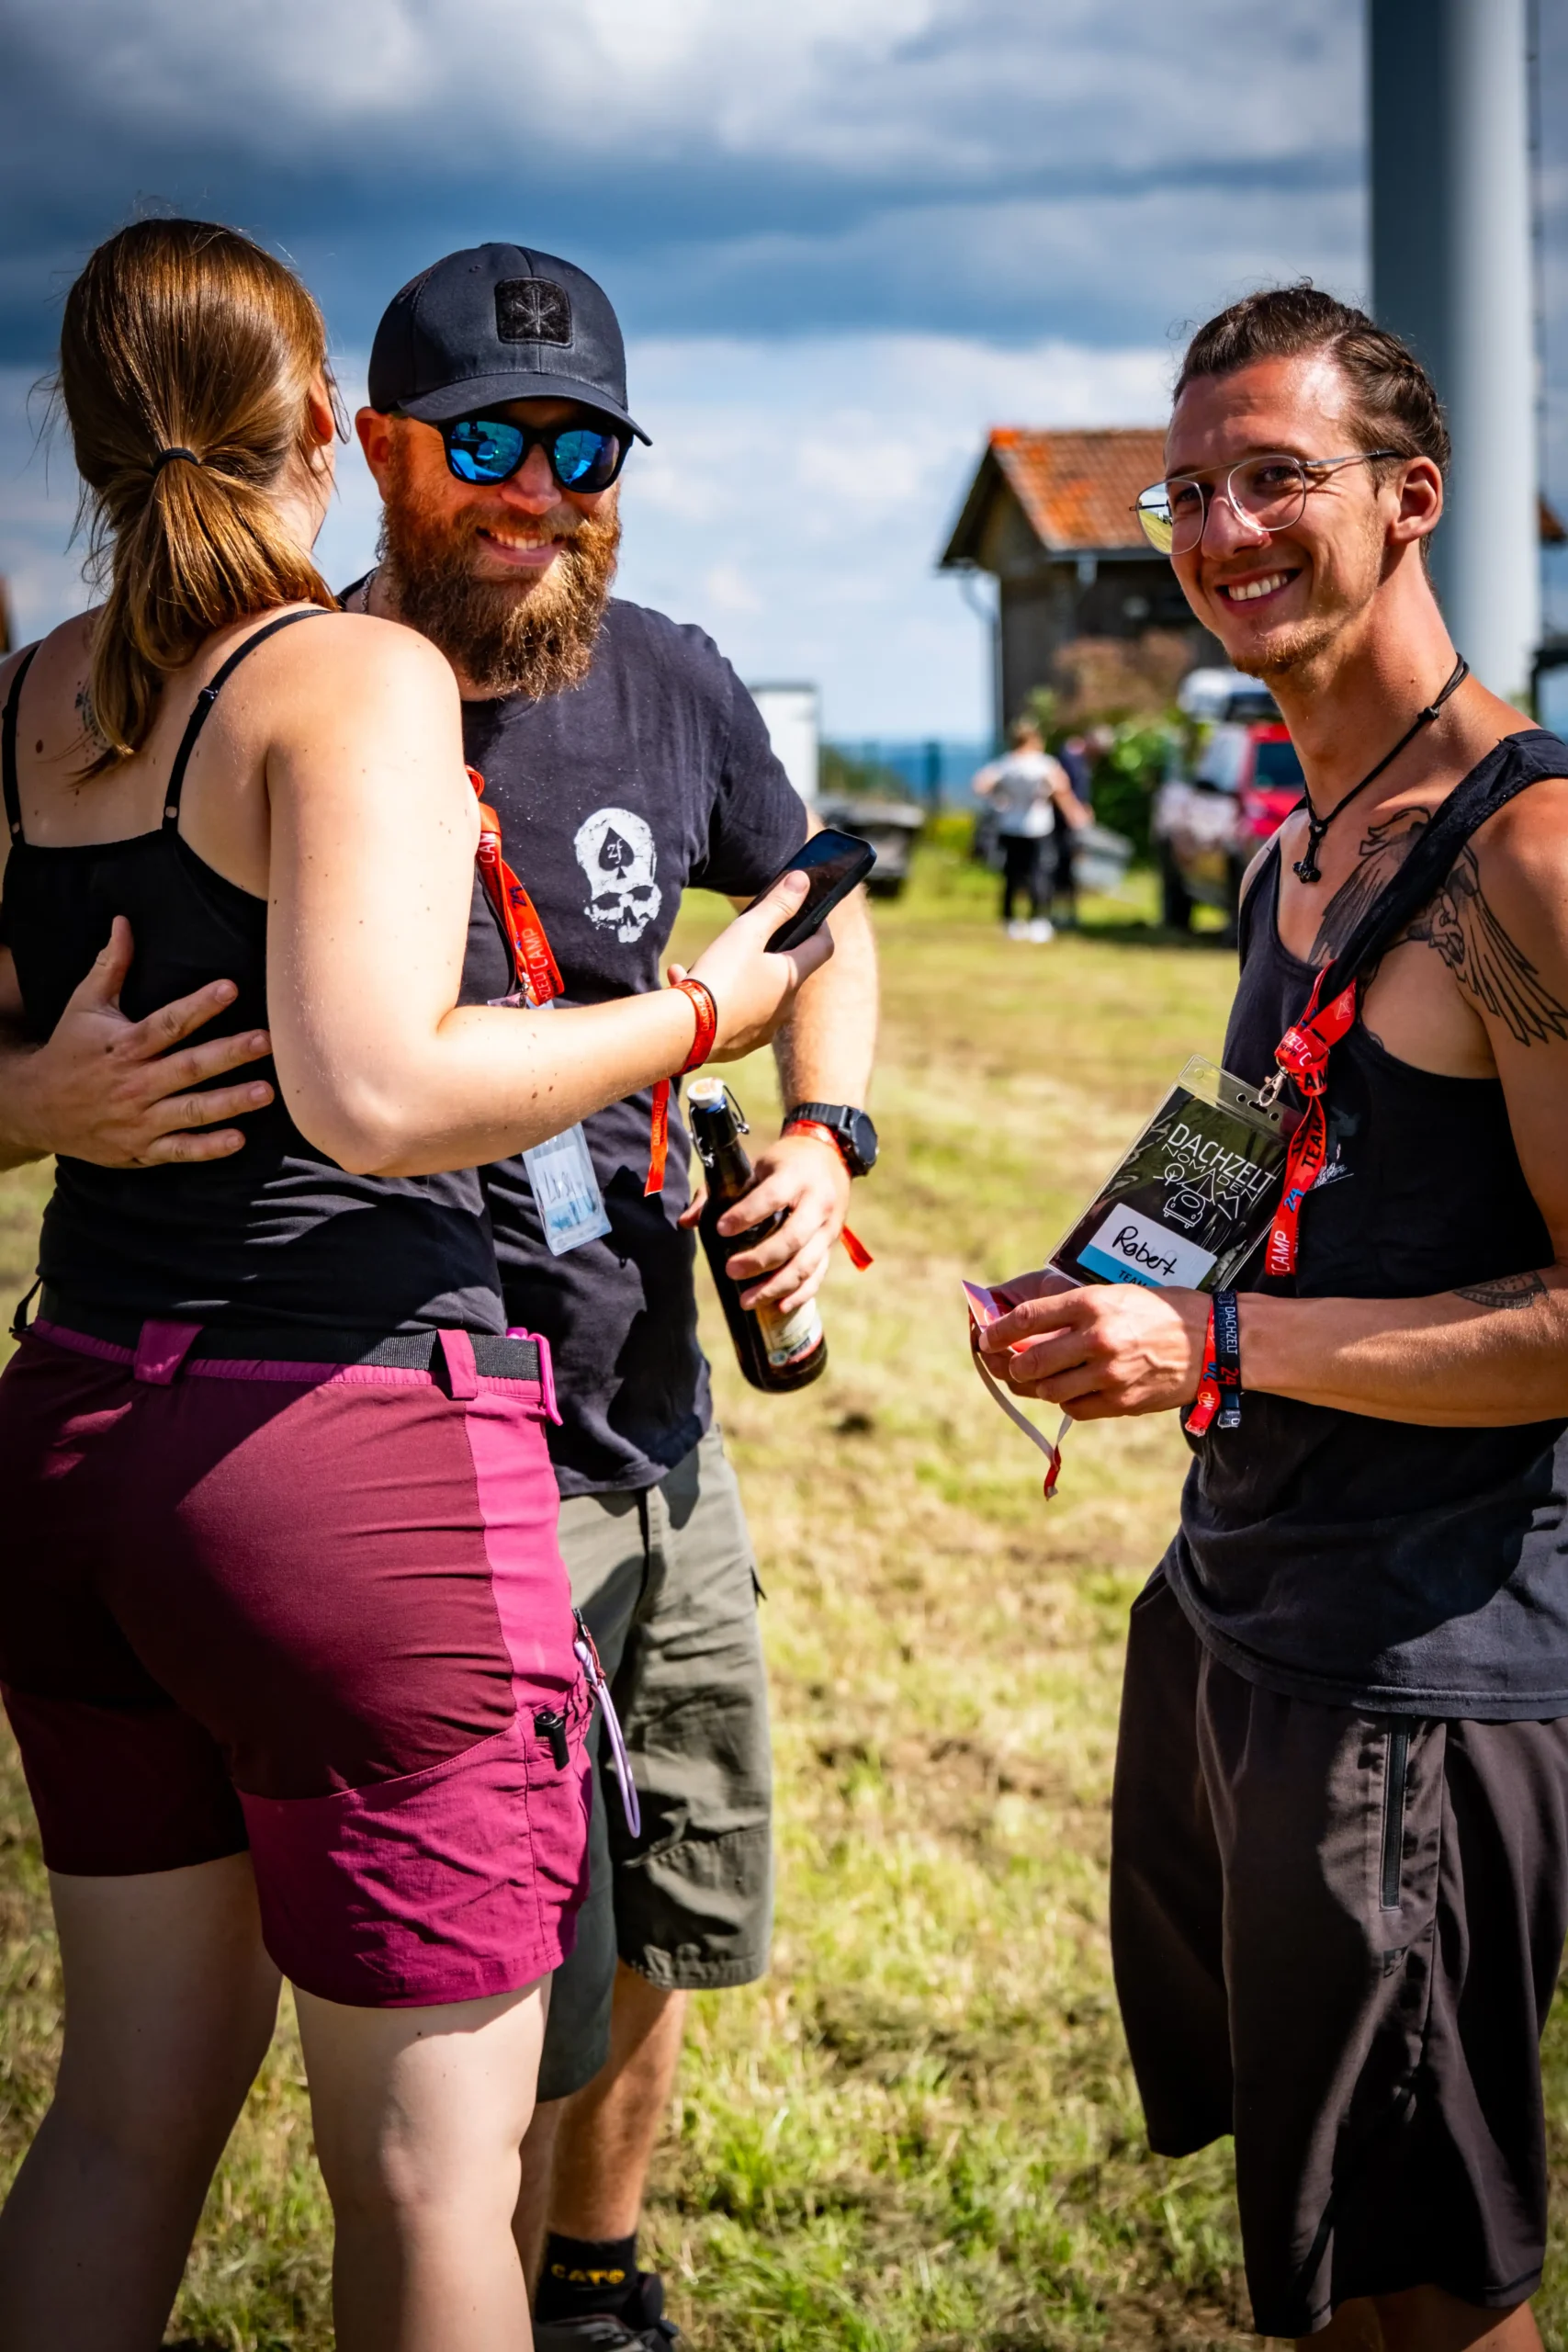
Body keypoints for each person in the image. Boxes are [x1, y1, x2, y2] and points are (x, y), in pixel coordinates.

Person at [0, 239, 881, 2350]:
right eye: (482, 439)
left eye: (578, 442)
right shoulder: (346, 673)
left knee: (118, 2124)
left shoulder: (42, 688)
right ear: (338, 435)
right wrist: (695, 1015)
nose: (536, 476)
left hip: (79, 1431)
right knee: (421, 2178)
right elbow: (377, 1083)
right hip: (348, 1457)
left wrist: (36, 1095)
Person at [979, 286, 1568, 2349]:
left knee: (1422, 2279)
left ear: (1410, 500)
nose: (1222, 527)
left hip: (1424, 1660)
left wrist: (1214, 1356)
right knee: (1321, 2259)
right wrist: (1114, 1278)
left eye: (1276, 478)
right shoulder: (1304, 844)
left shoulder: (1534, 858)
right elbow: (1283, 1124)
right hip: (1244, 1604)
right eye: (1190, 487)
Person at [972, 718, 1083, 941]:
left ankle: (1011, 921)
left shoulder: (1006, 764)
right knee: (1040, 874)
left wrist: (1000, 799)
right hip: (1037, 826)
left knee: (1012, 875)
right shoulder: (1043, 763)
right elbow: (1062, 789)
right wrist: (1074, 814)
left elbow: (980, 784)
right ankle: (1038, 921)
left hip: (1010, 825)